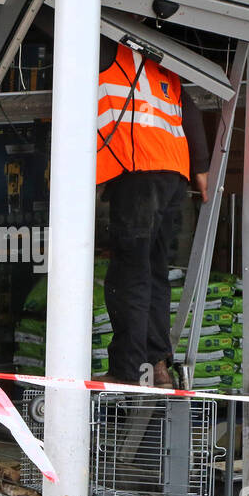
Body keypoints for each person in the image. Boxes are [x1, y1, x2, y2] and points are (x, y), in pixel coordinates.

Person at [96, 34, 209, 388]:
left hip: (137, 170)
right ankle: (157, 366)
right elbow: (189, 112)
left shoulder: (109, 50)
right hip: (172, 174)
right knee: (155, 272)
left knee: (130, 274)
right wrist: (201, 169)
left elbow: (50, 19)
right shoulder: (164, 62)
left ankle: (127, 371)